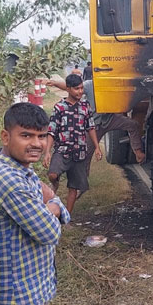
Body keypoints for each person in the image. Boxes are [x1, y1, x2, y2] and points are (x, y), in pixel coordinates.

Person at [0, 102, 70, 305]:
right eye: (26, 135)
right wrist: (52, 206)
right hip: (18, 301)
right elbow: (50, 232)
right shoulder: (8, 179)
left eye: (42, 136)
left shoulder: (21, 170)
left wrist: (52, 206)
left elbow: (61, 211)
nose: (36, 143)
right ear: (5, 136)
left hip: (33, 290)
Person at [43, 77, 145, 164]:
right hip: (93, 125)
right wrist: (55, 83)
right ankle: (81, 181)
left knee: (133, 125)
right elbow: (69, 87)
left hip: (110, 118)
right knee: (86, 156)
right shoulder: (89, 85)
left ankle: (138, 152)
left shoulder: (116, 83)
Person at [43, 73, 101, 213]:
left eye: (81, 88)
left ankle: (67, 217)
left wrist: (97, 147)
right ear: (68, 89)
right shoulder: (59, 108)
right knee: (52, 174)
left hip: (79, 153)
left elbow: (91, 127)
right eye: (76, 89)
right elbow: (52, 131)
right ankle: (55, 184)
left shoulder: (85, 107)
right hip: (62, 150)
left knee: (74, 187)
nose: (80, 91)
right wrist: (47, 152)